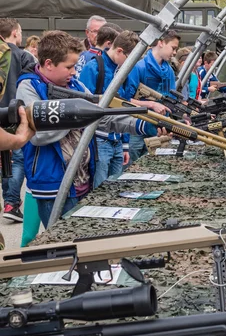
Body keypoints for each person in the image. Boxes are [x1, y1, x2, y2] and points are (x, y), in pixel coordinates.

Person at [16, 30, 159, 228]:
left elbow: (101, 116)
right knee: (64, 247)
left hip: (83, 180)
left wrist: (143, 125)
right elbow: (39, 135)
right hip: (53, 186)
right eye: (69, 67)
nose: (74, 72)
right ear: (48, 64)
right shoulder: (29, 87)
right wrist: (76, 117)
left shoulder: (74, 85)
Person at [79, 30, 138, 187]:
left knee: (115, 187)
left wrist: (124, 145)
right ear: (119, 51)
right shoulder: (93, 68)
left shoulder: (122, 72)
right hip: (99, 140)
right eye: (129, 60)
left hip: (117, 140)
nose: (130, 65)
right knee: (99, 188)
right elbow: (83, 107)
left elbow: (124, 109)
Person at [0, 18, 36, 222]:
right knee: (16, 160)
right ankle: (11, 203)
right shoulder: (23, 56)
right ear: (14, 33)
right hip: (15, 117)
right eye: (20, 32)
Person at [125, 30, 180, 163]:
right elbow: (125, 101)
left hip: (159, 131)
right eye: (173, 48)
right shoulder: (138, 67)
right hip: (136, 129)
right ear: (161, 43)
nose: (174, 53)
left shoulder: (169, 72)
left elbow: (172, 101)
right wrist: (151, 104)